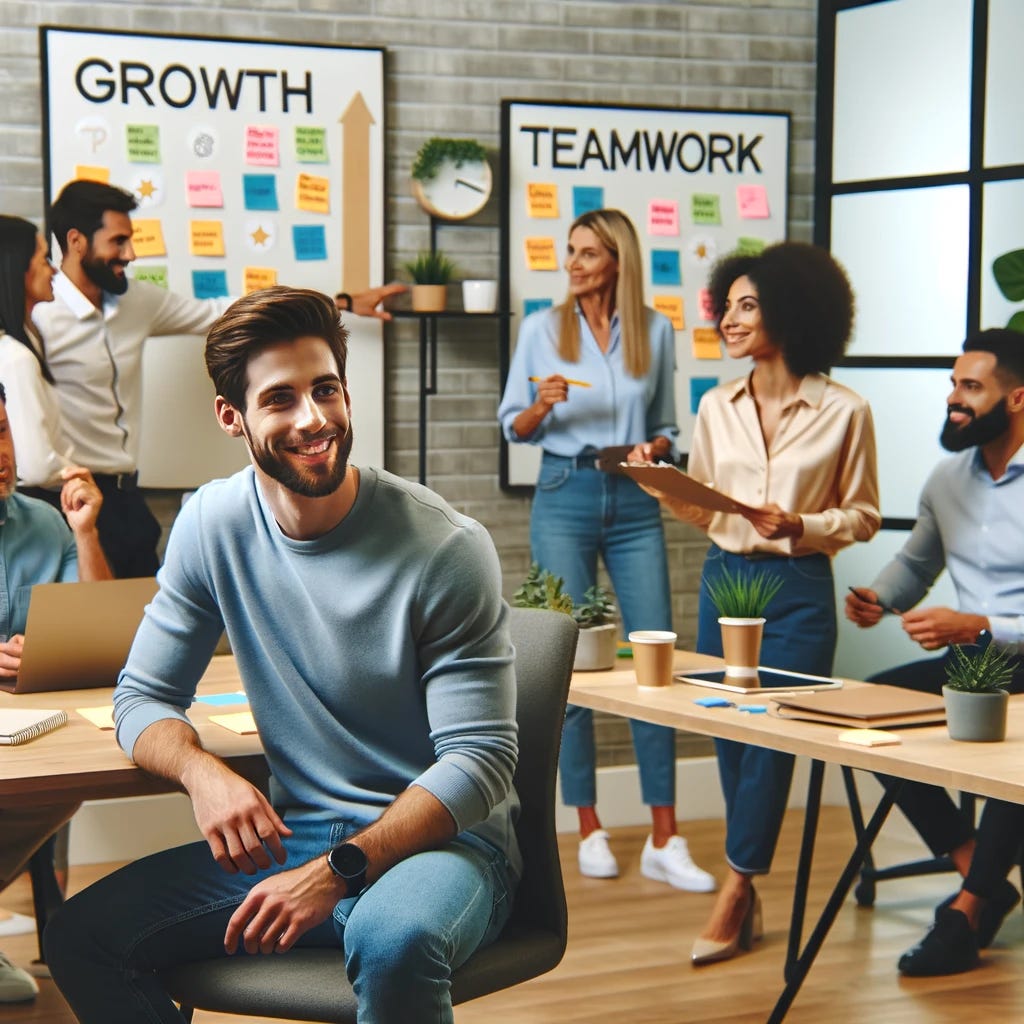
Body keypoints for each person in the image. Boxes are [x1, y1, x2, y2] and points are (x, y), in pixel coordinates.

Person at [43, 287, 519, 1024]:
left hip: (443, 846)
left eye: (326, 389)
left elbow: (479, 761)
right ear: (232, 417)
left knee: (396, 938)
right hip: (300, 837)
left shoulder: (444, 547)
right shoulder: (212, 524)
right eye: (281, 399)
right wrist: (202, 774)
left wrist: (335, 873)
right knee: (82, 937)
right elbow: (140, 697)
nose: (313, 419)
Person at [634, 241, 880, 964]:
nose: (729, 319)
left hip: (798, 586)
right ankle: (746, 884)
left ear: (793, 312)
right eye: (727, 305)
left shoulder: (846, 411)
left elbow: (863, 514)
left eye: (748, 305)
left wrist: (803, 524)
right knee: (730, 731)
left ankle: (737, 886)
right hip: (725, 576)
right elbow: (710, 511)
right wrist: (666, 487)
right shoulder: (716, 406)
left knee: (774, 734)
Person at [31, 180, 405, 577]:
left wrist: (342, 302)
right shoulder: (37, 312)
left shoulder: (137, 301)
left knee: (137, 616)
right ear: (76, 241)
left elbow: (222, 311)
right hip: (67, 500)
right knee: (77, 633)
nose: (131, 253)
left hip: (126, 498)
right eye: (119, 241)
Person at [498, 208, 714, 892]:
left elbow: (668, 424)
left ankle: (664, 835)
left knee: (655, 657)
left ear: (617, 260)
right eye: (570, 251)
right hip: (563, 489)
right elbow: (515, 427)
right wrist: (544, 407)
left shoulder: (654, 329)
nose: (574, 263)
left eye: (588, 252)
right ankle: (587, 824)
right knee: (574, 662)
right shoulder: (540, 329)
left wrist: (660, 447)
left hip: (633, 497)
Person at [845, 327, 1024, 977]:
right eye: (953, 383)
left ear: (1018, 398)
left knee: (1016, 743)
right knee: (869, 715)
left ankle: (970, 908)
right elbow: (914, 564)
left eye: (971, 387)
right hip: (976, 659)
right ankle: (976, 865)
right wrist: (875, 597)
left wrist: (978, 621)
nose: (954, 397)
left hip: (1012, 652)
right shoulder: (948, 478)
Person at [0, 381, 111, 1004]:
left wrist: (85, 531)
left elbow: (96, 628)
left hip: (29, 731)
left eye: (3, 430)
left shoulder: (43, 523)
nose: (2, 453)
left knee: (71, 782)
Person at [0, 214, 77, 487]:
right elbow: (36, 467)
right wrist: (79, 473)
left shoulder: (22, 344)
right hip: (41, 502)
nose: (53, 270)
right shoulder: (14, 358)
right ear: (16, 270)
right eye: (44, 259)